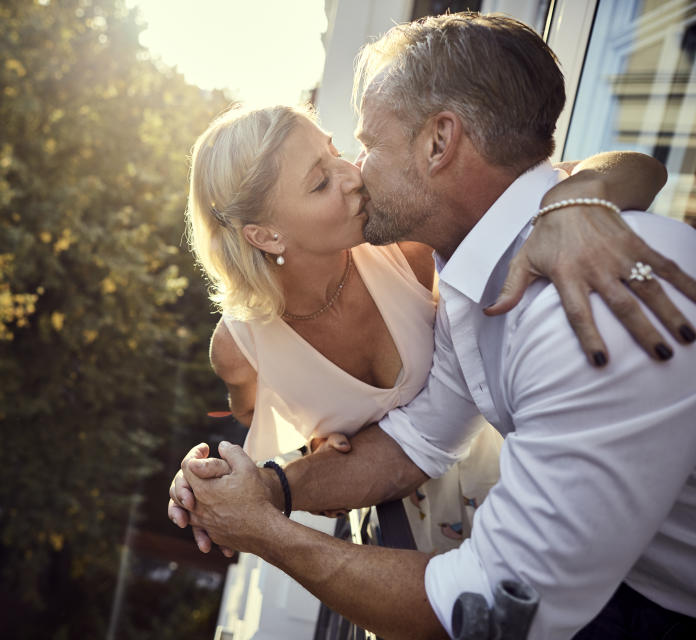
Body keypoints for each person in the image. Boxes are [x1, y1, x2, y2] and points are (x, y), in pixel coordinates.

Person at [170, 12, 696, 639]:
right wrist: (264, 487)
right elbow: (419, 438)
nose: (355, 172)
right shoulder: (473, 280)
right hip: (629, 578)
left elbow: (490, 609)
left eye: (363, 145)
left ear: (439, 142)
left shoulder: (584, 307)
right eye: (327, 171)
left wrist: (264, 532)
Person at [183, 103, 667, 563]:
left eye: (334, 151)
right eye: (320, 181)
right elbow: (254, 416)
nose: (354, 176)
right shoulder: (238, 348)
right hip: (399, 534)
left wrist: (572, 208)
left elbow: (638, 169)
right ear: (266, 235)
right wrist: (310, 451)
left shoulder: (405, 238)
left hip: (515, 473)